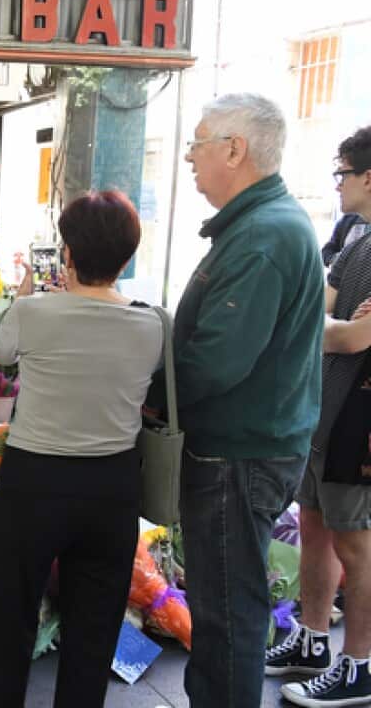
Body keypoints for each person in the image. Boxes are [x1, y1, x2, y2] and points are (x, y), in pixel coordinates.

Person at [153, 93, 324, 708]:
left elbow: (216, 361)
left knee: (228, 612)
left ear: (235, 149)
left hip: (238, 454)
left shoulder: (263, 237)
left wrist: (150, 399)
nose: (190, 158)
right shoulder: (259, 226)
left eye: (197, 143)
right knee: (227, 604)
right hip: (244, 448)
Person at [0, 191, 162, 707]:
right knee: (94, 631)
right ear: (127, 258)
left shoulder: (33, 312)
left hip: (34, 482)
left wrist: (28, 294)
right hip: (111, 487)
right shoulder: (152, 324)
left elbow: (0, 352)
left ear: (68, 253)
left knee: (10, 617)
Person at [268, 126, 371, 705]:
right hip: (324, 411)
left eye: (342, 174)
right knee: (313, 528)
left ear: (367, 177)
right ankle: (310, 640)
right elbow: (321, 313)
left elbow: (356, 338)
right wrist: (333, 330)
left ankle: (358, 666)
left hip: (359, 420)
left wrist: (332, 331)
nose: (337, 185)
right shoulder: (355, 239)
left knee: (356, 544)